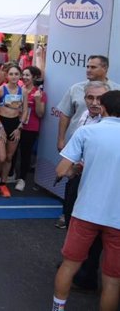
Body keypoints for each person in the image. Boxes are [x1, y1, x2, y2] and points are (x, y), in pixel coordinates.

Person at [52, 90, 120, 311]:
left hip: (86, 211)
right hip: (117, 218)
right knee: (112, 279)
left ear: (104, 107)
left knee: (69, 265)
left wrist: (77, 169)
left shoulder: (87, 132)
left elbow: (62, 170)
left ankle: (58, 308)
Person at [55, 55, 120, 228]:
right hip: (77, 153)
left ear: (105, 68)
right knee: (73, 191)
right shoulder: (76, 89)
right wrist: (61, 140)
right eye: (89, 98)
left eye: (93, 67)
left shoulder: (116, 92)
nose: (88, 70)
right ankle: (69, 219)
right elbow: (66, 114)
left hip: (102, 158)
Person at [0, 64, 26, 198]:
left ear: (20, 76)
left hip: (15, 125)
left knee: (10, 157)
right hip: (1, 124)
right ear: (6, 76)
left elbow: (25, 110)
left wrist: (19, 127)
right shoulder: (0, 89)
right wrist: (0, 127)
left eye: (16, 74)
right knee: (2, 156)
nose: (14, 76)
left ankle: (3, 183)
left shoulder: (23, 91)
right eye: (11, 74)